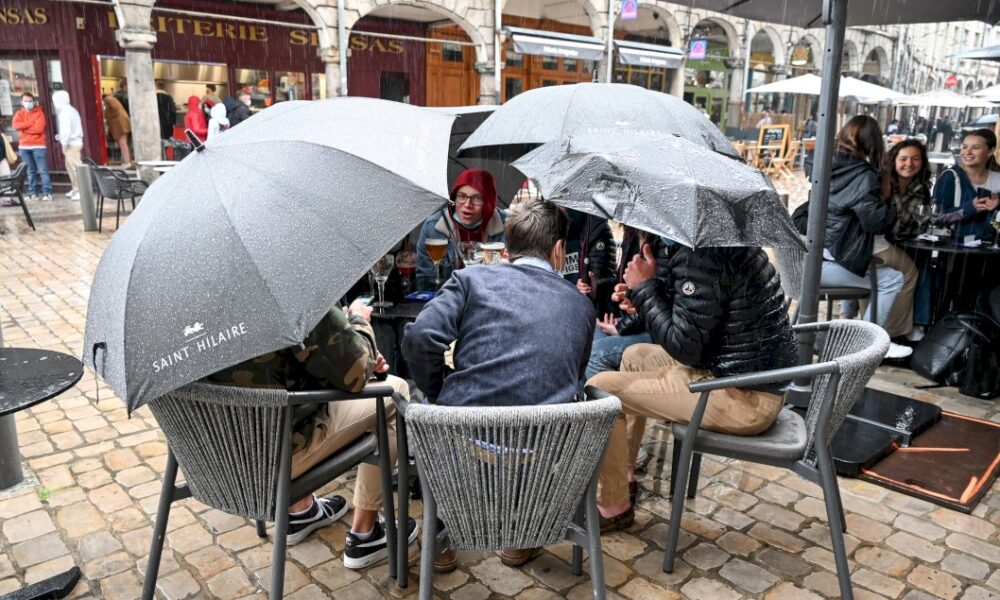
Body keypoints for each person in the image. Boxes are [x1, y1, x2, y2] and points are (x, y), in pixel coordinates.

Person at [402, 197, 595, 567]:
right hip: (540, 448)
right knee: (541, 404)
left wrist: (437, 387)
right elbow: (574, 377)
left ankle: (440, 538)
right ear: (558, 250)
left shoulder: (471, 280)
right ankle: (521, 536)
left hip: (464, 439)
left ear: (507, 249)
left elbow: (420, 339)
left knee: (420, 408)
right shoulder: (580, 305)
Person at [587, 238, 797, 531]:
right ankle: (622, 475)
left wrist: (647, 289)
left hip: (744, 396)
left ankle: (613, 507)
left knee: (600, 388)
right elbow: (703, 316)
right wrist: (644, 296)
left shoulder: (702, 255)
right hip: (737, 374)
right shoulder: (722, 242)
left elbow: (685, 347)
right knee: (634, 355)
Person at [203, 301, 418, 568]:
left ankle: (299, 510)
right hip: (275, 459)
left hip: (210, 459)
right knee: (393, 390)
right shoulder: (290, 289)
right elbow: (355, 373)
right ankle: (365, 532)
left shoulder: (164, 313)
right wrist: (359, 323)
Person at [818, 115, 911, 359]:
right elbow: (876, 221)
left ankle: (857, 331)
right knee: (893, 279)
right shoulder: (863, 174)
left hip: (816, 257)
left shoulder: (824, 164)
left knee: (875, 270)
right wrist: (891, 207)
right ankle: (866, 347)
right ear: (873, 142)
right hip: (832, 261)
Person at [584, 227, 664, 380]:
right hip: (641, 319)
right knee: (589, 334)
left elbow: (658, 296)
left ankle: (607, 402)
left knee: (595, 355)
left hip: (657, 330)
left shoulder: (659, 243)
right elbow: (637, 287)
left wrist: (621, 327)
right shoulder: (633, 237)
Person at [874, 140, 931, 340]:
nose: (909, 163)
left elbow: (921, 223)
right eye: (903, 159)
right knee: (909, 273)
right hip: (880, 242)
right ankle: (891, 331)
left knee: (924, 266)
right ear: (893, 161)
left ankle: (916, 324)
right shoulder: (882, 184)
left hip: (903, 241)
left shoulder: (921, 188)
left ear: (922, 162)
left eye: (915, 159)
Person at [415, 169, 506, 291]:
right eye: (462, 196)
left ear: (488, 202)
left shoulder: (508, 226)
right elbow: (425, 280)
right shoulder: (433, 227)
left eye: (477, 198)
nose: (467, 204)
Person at [933, 129, 1000, 242]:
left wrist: (998, 206)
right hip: (955, 250)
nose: (967, 152)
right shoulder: (950, 177)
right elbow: (936, 218)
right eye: (964, 147)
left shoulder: (998, 178)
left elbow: (997, 222)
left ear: (990, 151)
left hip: (991, 252)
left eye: (975, 148)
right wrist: (969, 207)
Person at [562, 209, 616, 315]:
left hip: (586, 311)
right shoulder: (553, 227)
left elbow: (600, 280)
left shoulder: (595, 229)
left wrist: (583, 287)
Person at [12, 93, 52, 201]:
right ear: (21, 102)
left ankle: (47, 193)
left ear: (33, 102)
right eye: (25, 101)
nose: (28, 103)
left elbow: (39, 129)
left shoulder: (39, 114)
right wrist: (31, 123)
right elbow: (15, 125)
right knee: (30, 170)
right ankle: (32, 193)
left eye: (30, 101)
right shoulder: (19, 113)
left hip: (38, 145)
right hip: (24, 147)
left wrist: (24, 129)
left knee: (43, 170)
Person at [52, 91, 84, 200]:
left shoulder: (65, 112)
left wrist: (64, 143)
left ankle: (81, 191)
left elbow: (66, 130)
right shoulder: (71, 110)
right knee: (70, 167)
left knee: (75, 168)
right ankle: (76, 189)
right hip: (74, 142)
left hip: (72, 143)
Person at [103, 94, 132, 168]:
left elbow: (115, 108)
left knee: (123, 143)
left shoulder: (108, 99)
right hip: (121, 124)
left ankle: (127, 162)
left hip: (120, 125)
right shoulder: (112, 99)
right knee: (123, 144)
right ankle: (127, 161)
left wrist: (110, 117)